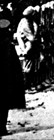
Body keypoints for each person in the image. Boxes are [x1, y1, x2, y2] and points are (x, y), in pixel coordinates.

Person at [0, 7, 26, 136]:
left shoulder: (5, 11)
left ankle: (1, 126)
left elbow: (8, 23)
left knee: (5, 92)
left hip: (5, 55)